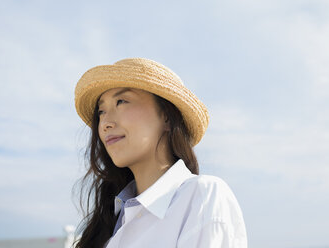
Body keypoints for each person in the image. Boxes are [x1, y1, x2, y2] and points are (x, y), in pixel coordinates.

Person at [73, 58, 247, 248]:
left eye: (121, 101)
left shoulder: (201, 197)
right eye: (101, 111)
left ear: (166, 116)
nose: (105, 123)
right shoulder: (112, 222)